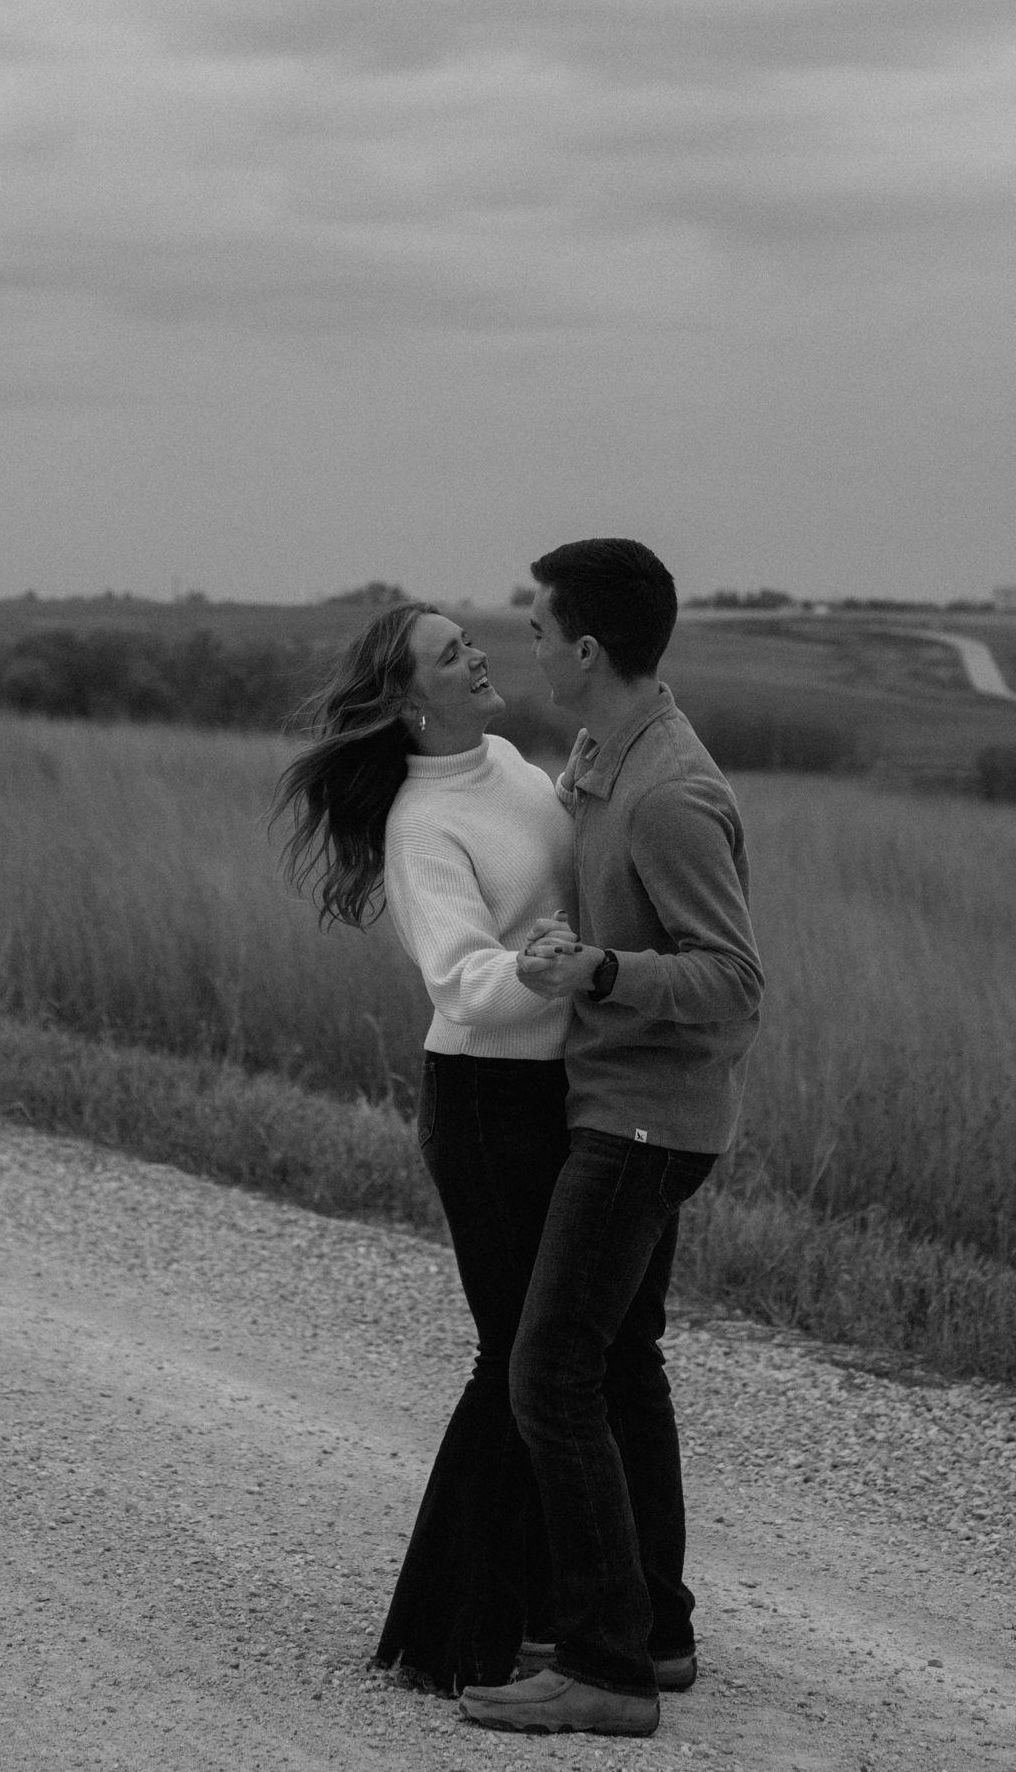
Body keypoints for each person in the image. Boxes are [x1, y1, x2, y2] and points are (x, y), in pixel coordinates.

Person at [457, 539, 764, 1740]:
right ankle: (659, 1635)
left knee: (548, 1373)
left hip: (645, 1120)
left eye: (536, 628)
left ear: (585, 648)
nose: (523, 646)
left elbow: (731, 984)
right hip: (621, 1105)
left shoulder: (672, 791)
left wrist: (598, 971)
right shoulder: (605, 755)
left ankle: (602, 1668)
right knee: (623, 1364)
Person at [273, 601, 577, 1692]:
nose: (478, 655)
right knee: (516, 1362)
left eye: (469, 641)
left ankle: (535, 1613)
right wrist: (533, 970)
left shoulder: (514, 768)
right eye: (452, 654)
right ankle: (448, 1636)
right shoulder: (421, 824)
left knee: (549, 1364)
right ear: (410, 702)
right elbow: (460, 979)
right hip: (487, 1103)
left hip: (557, 1092)